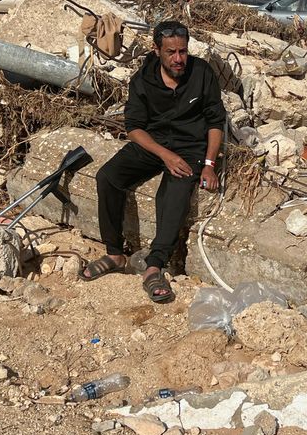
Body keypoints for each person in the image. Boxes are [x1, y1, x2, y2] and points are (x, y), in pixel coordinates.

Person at [82, 20, 227, 303]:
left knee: (175, 189)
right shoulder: (142, 79)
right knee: (108, 177)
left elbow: (215, 121)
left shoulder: (202, 73)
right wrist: (164, 154)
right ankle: (115, 253)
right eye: (171, 52)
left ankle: (154, 266)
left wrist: (209, 164)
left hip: (190, 146)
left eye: (183, 51)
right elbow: (134, 127)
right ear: (156, 49)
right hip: (154, 143)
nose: (178, 59)